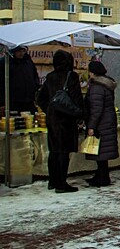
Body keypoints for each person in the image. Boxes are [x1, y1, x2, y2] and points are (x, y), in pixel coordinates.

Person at [36, 50, 83, 193]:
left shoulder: (50, 77)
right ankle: (61, 184)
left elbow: (40, 99)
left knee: (54, 150)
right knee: (63, 151)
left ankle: (53, 181)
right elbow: (76, 99)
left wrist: (50, 110)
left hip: (52, 119)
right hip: (66, 119)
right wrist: (80, 115)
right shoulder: (71, 76)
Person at [84, 61, 118, 187]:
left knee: (100, 151)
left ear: (92, 72)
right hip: (108, 120)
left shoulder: (97, 87)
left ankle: (103, 178)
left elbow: (96, 109)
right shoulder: (106, 84)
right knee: (102, 152)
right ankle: (101, 176)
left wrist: (91, 126)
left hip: (101, 122)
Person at [0, 46, 40, 113]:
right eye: (19, 51)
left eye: (23, 51)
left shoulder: (28, 61)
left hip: (28, 100)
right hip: (13, 101)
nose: (21, 53)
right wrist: (2, 102)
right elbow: (1, 83)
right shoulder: (5, 62)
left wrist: (35, 86)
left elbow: (34, 75)